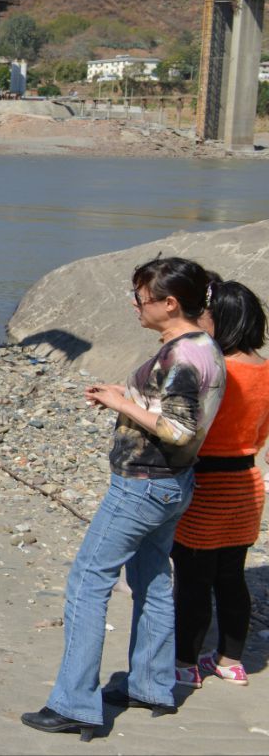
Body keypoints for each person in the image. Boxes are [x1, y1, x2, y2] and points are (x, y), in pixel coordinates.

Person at [23, 257, 226, 739]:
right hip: (173, 483)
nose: (136, 306)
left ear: (169, 303)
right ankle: (151, 685)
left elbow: (178, 428)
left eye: (141, 298)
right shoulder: (204, 347)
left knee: (88, 580)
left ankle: (74, 703)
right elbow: (175, 409)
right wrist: (127, 394)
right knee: (152, 577)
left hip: (144, 484)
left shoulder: (181, 357)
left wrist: (120, 403)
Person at [172, 279, 269, 688]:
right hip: (246, 483)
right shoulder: (266, 370)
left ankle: (185, 663)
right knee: (231, 576)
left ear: (220, 320)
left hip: (206, 481)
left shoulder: (216, 369)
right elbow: (262, 433)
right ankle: (231, 660)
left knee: (193, 579)